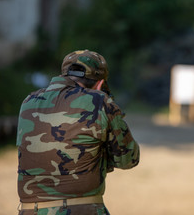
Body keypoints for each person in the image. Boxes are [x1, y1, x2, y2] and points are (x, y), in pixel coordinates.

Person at [16, 49, 140, 215]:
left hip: (30, 210)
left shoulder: (28, 101)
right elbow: (129, 159)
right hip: (81, 209)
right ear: (100, 84)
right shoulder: (99, 101)